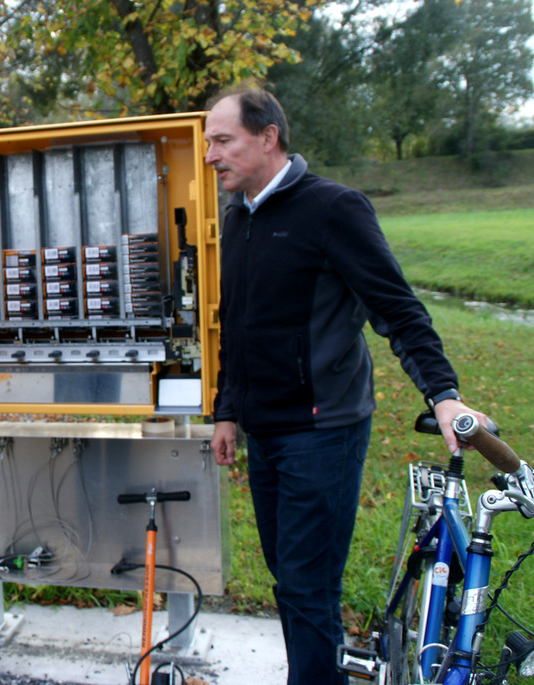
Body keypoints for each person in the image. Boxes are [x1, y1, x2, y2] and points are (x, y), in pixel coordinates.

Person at [205, 84, 490, 685]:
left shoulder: (334, 208)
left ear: (267, 137)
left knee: (308, 587)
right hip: (265, 431)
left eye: (223, 140)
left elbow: (398, 310)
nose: (210, 155)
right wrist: (226, 410)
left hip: (323, 431)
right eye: (210, 142)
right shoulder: (236, 219)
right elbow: (235, 324)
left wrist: (442, 394)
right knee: (291, 580)